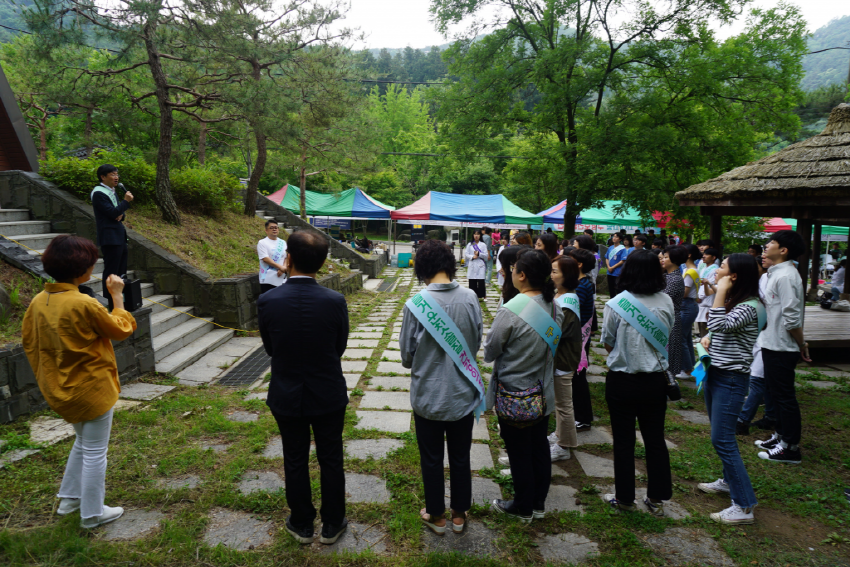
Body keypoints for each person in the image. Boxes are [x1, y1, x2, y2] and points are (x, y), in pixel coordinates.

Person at [22, 235, 137, 528]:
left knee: (83, 443)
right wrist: (118, 295)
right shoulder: (83, 303)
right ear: (81, 271)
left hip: (60, 388)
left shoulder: (38, 302)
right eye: (91, 265)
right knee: (96, 452)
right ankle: (93, 514)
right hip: (92, 389)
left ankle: (70, 500)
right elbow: (120, 328)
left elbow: (30, 343)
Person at [258, 230, 350, 545]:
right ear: (322, 264)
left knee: (294, 456)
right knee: (331, 457)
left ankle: (301, 522)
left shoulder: (268, 300)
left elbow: (270, 348)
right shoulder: (335, 301)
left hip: (286, 391)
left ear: (289, 258)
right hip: (328, 392)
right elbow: (339, 347)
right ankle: (333, 522)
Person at [400, 240, 484, 535]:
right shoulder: (471, 297)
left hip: (428, 396)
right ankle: (459, 515)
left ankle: (436, 516)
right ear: (450, 263)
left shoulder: (416, 304)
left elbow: (407, 356)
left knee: (431, 458)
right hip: (462, 394)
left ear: (421, 267)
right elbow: (474, 344)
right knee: (461, 456)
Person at [485, 249, 563, 522]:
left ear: (522, 275)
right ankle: (538, 503)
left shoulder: (511, 309)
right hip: (543, 393)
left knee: (518, 451)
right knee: (539, 447)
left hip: (515, 393)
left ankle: (522, 506)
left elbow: (490, 350)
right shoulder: (555, 307)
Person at [602, 250, 675, 516]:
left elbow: (608, 341)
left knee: (623, 442)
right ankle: (656, 497)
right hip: (655, 381)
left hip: (622, 381)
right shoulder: (666, 301)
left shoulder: (617, 303)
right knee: (655, 439)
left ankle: (624, 499)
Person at [698, 253, 763, 525]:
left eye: (722, 268)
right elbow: (717, 330)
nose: (717, 270)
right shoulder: (737, 302)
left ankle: (744, 506)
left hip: (731, 379)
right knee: (721, 435)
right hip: (717, 374)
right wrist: (708, 337)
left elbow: (717, 322)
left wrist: (719, 292)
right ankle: (727, 481)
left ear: (734, 276)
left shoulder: (750, 306)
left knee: (722, 439)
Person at [754, 230, 808, 464]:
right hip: (772, 342)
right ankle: (780, 436)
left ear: (783, 250)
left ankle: (790, 448)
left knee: (784, 397)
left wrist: (802, 343)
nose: (766, 246)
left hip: (782, 346)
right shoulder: (777, 273)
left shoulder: (785, 276)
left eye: (772, 243)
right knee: (775, 395)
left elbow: (792, 318)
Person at [737, 255, 776, 435]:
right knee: (764, 380)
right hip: (761, 336)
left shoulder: (777, 278)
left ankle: (743, 420)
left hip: (770, 336)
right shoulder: (764, 279)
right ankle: (771, 416)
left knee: (757, 379)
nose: (764, 257)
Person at [549, 256, 582, 461]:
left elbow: (556, 332)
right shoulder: (560, 295)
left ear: (566, 276)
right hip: (558, 358)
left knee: (564, 404)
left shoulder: (568, 302)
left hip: (563, 359)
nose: (551, 275)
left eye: (555, 272)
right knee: (559, 403)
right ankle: (560, 434)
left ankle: (564, 445)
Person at [91, 164, 134, 309]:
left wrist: (121, 213)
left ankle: (120, 299)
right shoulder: (99, 193)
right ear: (103, 177)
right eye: (112, 174)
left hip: (119, 235)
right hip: (109, 237)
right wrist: (125, 202)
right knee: (111, 270)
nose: (116, 177)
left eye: (117, 174)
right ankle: (109, 300)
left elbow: (119, 214)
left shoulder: (112, 191)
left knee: (121, 270)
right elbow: (112, 212)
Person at [567, 248, 596, 431]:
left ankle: (583, 417)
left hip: (578, 338)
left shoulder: (581, 286)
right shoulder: (582, 283)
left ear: (578, 265)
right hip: (578, 336)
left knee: (578, 379)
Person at [661, 246, 687, 377]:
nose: (663, 260)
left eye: (666, 257)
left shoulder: (675, 279)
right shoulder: (667, 275)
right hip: (666, 317)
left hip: (671, 319)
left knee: (668, 353)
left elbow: (663, 298)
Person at [679, 244, 702, 378]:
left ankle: (686, 370)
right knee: (686, 338)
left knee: (681, 338)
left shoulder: (690, 271)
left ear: (688, 255)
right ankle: (690, 368)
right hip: (689, 306)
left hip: (686, 305)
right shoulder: (692, 270)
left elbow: (684, 293)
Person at [257, 220, 288, 294]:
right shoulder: (262, 242)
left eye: (276, 227)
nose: (274, 229)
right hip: (267, 279)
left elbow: (286, 257)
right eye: (271, 228)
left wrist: (283, 268)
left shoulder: (283, 242)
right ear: (266, 230)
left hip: (281, 277)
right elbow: (265, 258)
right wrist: (280, 267)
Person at [696, 248, 720, 337]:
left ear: (714, 257)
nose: (703, 256)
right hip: (701, 299)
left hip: (707, 300)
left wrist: (700, 297)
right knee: (701, 323)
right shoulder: (704, 268)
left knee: (705, 324)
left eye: (706, 255)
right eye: (704, 254)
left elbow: (710, 284)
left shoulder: (715, 270)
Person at [464, 230, 490, 298]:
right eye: (475, 234)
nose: (476, 236)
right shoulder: (470, 244)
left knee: (481, 281)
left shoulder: (483, 244)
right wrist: (472, 257)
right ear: (473, 235)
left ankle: (482, 295)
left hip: (480, 264)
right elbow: (466, 254)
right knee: (472, 281)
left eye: (478, 234)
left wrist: (479, 254)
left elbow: (486, 255)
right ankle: (473, 296)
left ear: (480, 235)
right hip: (472, 263)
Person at [605, 233, 627, 297]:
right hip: (610, 272)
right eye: (613, 236)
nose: (614, 238)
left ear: (620, 239)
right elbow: (607, 258)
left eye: (616, 237)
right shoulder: (610, 248)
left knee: (618, 289)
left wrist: (612, 267)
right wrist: (609, 267)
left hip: (617, 272)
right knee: (611, 289)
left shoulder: (622, 248)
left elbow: (622, 260)